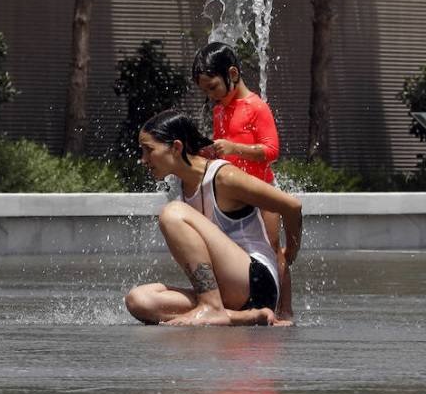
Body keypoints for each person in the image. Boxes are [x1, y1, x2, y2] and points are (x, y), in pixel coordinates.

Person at [125, 109, 302, 326]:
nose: (143, 160)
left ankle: (212, 307)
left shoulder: (223, 177)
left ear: (176, 147)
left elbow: (291, 206)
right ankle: (243, 316)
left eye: (148, 150)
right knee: (139, 300)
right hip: (229, 295)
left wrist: (291, 252)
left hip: (256, 282)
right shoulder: (178, 186)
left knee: (172, 213)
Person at [192, 42, 292, 320]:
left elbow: (271, 150)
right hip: (233, 195)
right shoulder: (219, 110)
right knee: (234, 250)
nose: (210, 95)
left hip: (261, 191)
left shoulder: (256, 107)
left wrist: (235, 148)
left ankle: (285, 310)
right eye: (205, 91)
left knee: (273, 249)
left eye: (213, 87)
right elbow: (224, 150)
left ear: (233, 74)